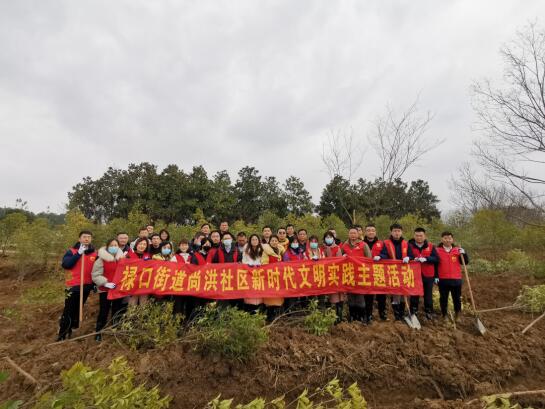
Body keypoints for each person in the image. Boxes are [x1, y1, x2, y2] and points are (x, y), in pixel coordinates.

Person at [57, 230, 97, 341]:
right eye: (84, 237)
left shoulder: (95, 253)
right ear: (79, 239)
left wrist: (94, 284)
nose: (86, 239)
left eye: (89, 237)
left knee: (77, 309)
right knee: (68, 310)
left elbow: (96, 270)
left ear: (91, 239)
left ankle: (71, 331)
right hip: (72, 286)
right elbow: (66, 265)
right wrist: (78, 254)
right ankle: (62, 334)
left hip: (86, 286)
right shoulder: (71, 251)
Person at [91, 238, 125, 341]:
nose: (114, 247)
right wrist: (105, 283)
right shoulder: (101, 260)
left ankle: (115, 329)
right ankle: (99, 331)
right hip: (105, 289)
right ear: (107, 247)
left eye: (115, 245)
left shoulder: (122, 259)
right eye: (111, 245)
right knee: (104, 310)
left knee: (117, 310)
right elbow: (95, 275)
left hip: (118, 290)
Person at [379, 223, 415, 321]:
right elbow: (384, 254)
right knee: (395, 293)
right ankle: (396, 314)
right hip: (392, 272)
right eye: (395, 231)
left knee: (404, 293)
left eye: (398, 231)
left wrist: (409, 257)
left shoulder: (406, 244)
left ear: (401, 232)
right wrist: (380, 256)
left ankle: (402, 313)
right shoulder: (386, 243)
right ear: (391, 232)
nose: (397, 233)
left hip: (404, 272)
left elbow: (412, 256)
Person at [436, 231, 469, 322]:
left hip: (456, 279)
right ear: (442, 239)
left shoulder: (457, 250)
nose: (447, 240)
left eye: (449, 238)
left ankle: (458, 314)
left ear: (452, 239)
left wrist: (464, 254)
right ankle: (444, 315)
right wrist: (436, 276)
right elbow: (434, 265)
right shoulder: (437, 251)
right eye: (445, 238)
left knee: (457, 298)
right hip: (443, 279)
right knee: (443, 298)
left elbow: (465, 262)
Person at [341, 227, 372, 323]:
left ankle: (362, 317)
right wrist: (342, 257)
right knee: (351, 296)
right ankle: (352, 316)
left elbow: (369, 259)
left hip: (361, 275)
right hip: (349, 274)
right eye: (351, 233)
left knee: (359, 296)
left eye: (355, 233)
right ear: (348, 234)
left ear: (358, 234)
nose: (353, 235)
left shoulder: (364, 245)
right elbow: (339, 259)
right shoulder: (344, 245)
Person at [408, 227, 439, 320]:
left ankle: (429, 311)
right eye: (417, 235)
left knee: (428, 294)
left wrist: (427, 259)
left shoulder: (431, 246)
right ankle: (413, 311)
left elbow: (436, 259)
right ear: (414, 236)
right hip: (414, 274)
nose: (419, 237)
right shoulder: (409, 246)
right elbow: (408, 256)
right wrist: (412, 259)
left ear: (424, 236)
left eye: (421, 236)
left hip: (428, 274)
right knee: (414, 294)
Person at [363, 224, 387, 322]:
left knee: (381, 294)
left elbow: (386, 254)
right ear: (365, 232)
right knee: (368, 295)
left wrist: (381, 256)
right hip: (366, 272)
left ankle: (382, 313)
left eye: (372, 230)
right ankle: (368, 315)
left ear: (375, 232)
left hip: (378, 272)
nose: (371, 232)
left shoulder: (381, 243)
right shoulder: (361, 243)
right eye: (368, 230)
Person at [321, 231, 345, 322]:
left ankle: (339, 317)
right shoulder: (322, 248)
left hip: (335, 275)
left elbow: (339, 261)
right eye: (327, 237)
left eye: (330, 237)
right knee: (327, 296)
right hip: (324, 275)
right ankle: (328, 317)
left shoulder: (337, 248)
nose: (328, 239)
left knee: (338, 295)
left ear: (333, 238)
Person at [262, 235, 285, 321]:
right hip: (269, 277)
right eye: (272, 241)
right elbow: (264, 264)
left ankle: (278, 315)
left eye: (276, 241)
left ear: (278, 242)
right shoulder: (266, 251)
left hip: (279, 277)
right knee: (270, 297)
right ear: (269, 242)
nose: (274, 242)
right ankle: (269, 316)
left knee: (278, 296)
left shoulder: (281, 250)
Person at [242, 234, 264, 311]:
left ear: (258, 241)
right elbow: (244, 261)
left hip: (259, 273)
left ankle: (259, 309)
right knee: (250, 290)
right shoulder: (246, 248)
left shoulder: (262, 248)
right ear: (250, 241)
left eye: (256, 239)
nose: (254, 241)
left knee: (259, 290)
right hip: (249, 273)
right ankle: (249, 309)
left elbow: (263, 260)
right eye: (253, 240)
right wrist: (249, 266)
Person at [127, 238, 151, 306]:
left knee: (143, 303)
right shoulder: (129, 255)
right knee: (132, 303)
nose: (142, 246)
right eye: (140, 244)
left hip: (144, 283)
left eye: (144, 244)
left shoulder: (149, 256)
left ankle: (142, 313)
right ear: (136, 244)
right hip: (132, 283)